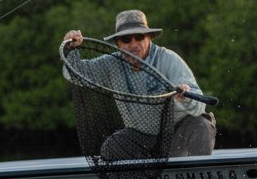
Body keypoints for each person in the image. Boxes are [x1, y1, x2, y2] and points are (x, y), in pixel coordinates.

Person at [62, 10, 216, 159]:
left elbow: (199, 107)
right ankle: (148, 173)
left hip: (177, 133)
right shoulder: (110, 63)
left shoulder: (169, 59)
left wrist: (185, 98)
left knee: (201, 124)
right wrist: (71, 49)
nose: (133, 44)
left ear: (149, 38)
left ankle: (201, 173)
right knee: (111, 148)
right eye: (126, 39)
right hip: (140, 137)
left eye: (139, 37)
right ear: (117, 43)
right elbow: (74, 75)